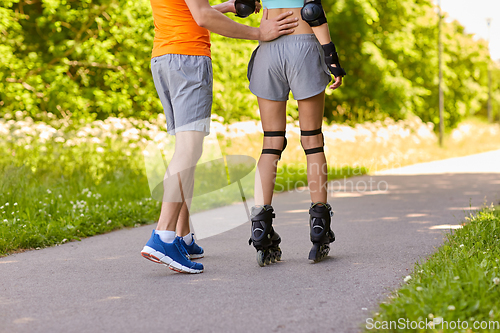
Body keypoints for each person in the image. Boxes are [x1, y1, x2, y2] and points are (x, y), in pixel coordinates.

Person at [140, 0, 300, 274]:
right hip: (188, 59)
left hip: (165, 58)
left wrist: (226, 7)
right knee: (188, 150)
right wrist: (259, 32)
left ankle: (183, 235)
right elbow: (202, 17)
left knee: (187, 150)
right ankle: (163, 236)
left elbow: (189, 11)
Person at [246, 0, 346, 265]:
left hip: (268, 48)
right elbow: (312, 10)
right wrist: (331, 56)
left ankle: (260, 228)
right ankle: (319, 228)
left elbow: (244, 5)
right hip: (303, 43)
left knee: (271, 143)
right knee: (312, 140)